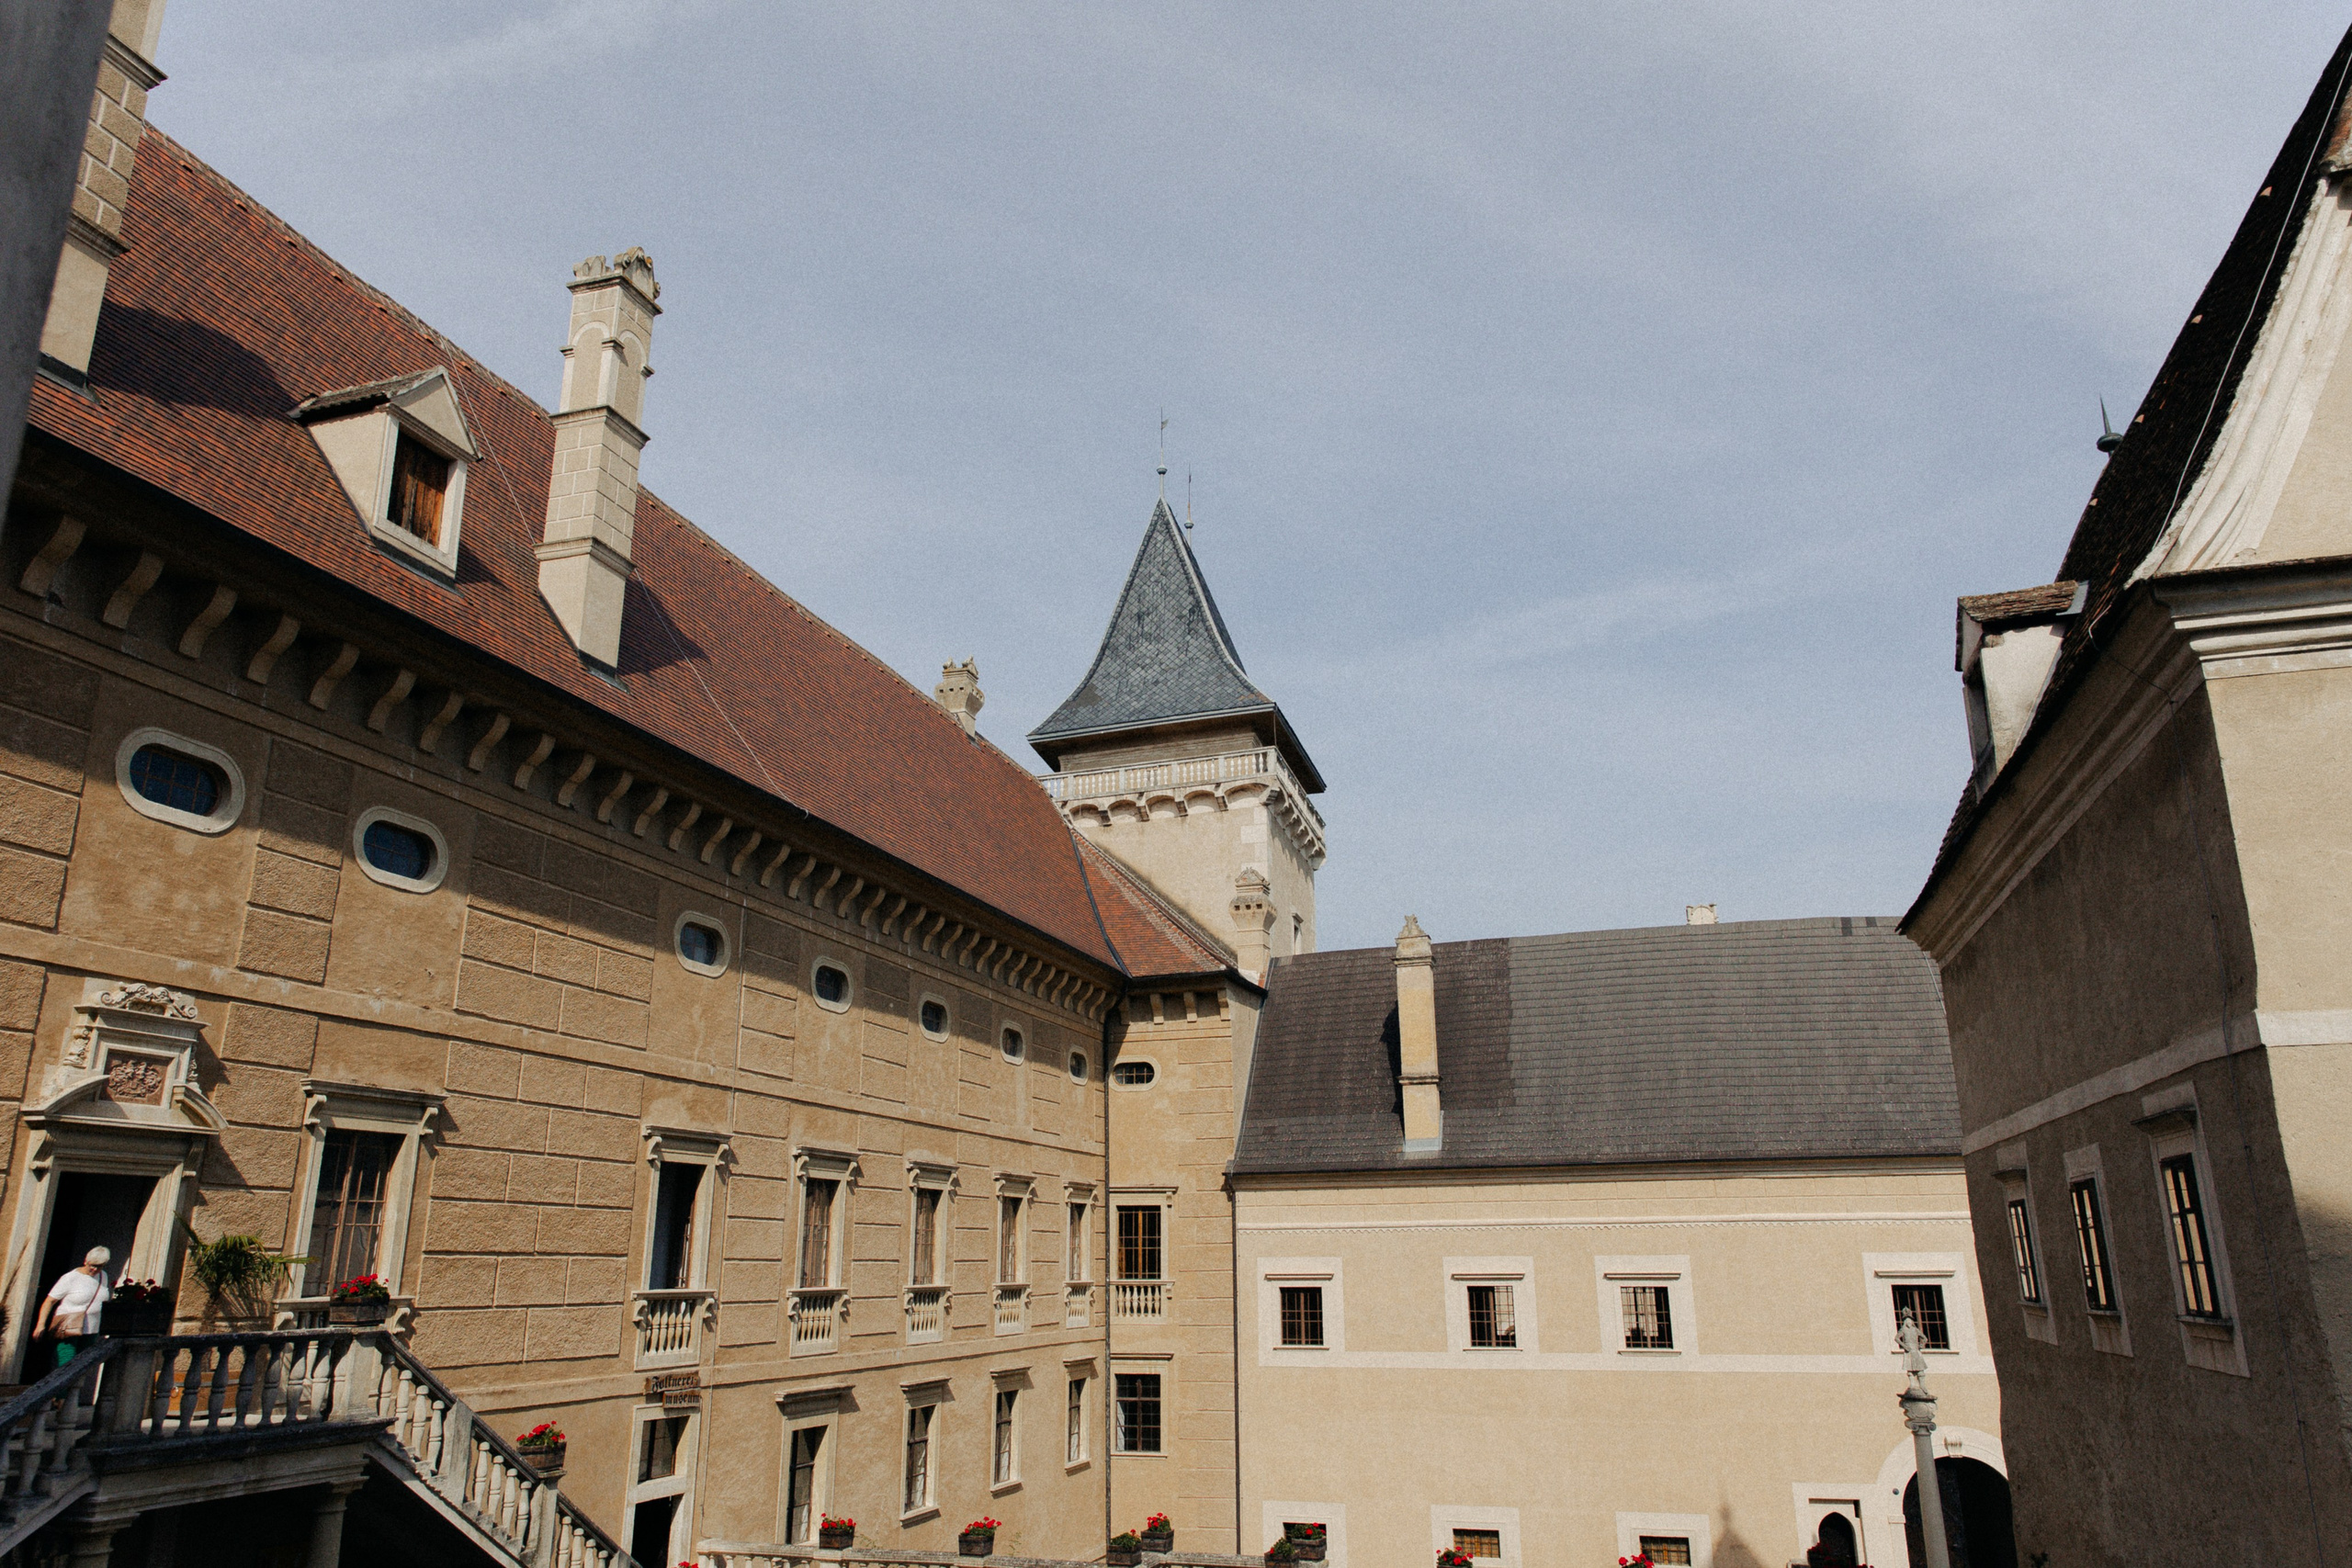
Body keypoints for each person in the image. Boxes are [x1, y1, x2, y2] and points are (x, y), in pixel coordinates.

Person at [36, 1247, 112, 1367]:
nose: (94, 1269)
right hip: (68, 1328)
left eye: (99, 1266)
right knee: (65, 1365)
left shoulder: (103, 1276)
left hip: (91, 1329)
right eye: (92, 1265)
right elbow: (49, 1301)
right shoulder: (71, 1278)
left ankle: (75, 1387)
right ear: (86, 1261)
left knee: (82, 1365)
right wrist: (41, 1324)